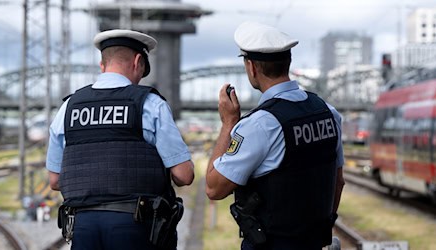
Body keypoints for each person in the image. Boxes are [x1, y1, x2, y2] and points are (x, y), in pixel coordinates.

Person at [46, 29, 194, 250]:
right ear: (137, 62)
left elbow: (55, 180)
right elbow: (184, 175)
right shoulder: (150, 104)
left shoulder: (69, 107)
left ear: (102, 65)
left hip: (83, 226)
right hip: (135, 225)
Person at [205, 21, 345, 250]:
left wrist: (228, 123)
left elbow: (213, 188)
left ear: (251, 68)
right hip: (315, 242)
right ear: (288, 62)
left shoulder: (260, 125)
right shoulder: (328, 113)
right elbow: (338, 181)